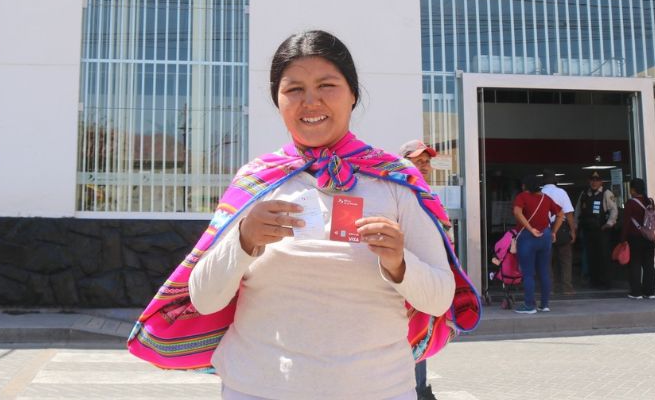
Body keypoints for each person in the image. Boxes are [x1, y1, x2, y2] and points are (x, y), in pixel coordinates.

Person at [127, 30, 481, 400]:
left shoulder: (396, 181)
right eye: (294, 89)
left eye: (327, 85)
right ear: (278, 101)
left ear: (353, 94)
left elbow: (439, 300)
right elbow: (205, 299)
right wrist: (244, 239)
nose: (310, 101)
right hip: (256, 389)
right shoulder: (256, 181)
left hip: (380, 389)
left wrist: (399, 263)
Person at [399, 139, 445, 400]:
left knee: (421, 335)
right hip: (403, 277)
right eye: (418, 161)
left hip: (425, 277)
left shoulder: (427, 194)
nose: (424, 165)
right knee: (408, 337)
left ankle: (420, 390)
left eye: (426, 161)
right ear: (403, 162)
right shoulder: (398, 191)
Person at [512, 175, 564, 314]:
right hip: (545, 236)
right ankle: (544, 305)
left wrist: (530, 229)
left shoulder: (522, 196)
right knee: (544, 271)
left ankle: (529, 305)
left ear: (525, 186)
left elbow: (517, 212)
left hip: (527, 237)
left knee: (528, 273)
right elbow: (561, 214)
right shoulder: (546, 198)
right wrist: (554, 232)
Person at [574, 172, 618, 289]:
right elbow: (578, 211)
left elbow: (614, 210)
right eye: (592, 180)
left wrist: (609, 224)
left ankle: (605, 282)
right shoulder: (584, 193)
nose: (594, 182)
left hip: (602, 231)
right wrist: (575, 225)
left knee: (603, 256)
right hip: (588, 231)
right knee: (591, 256)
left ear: (601, 182)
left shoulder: (606, 193)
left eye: (597, 180)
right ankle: (594, 281)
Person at [541, 170, 576, 294]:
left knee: (547, 261)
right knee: (565, 259)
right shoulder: (561, 192)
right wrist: (573, 230)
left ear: (543, 181)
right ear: (555, 181)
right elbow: (568, 213)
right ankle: (567, 288)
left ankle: (549, 288)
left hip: (544, 228)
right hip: (562, 228)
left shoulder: (540, 193)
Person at [622, 177, 655, 299]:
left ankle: (636, 292)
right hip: (649, 238)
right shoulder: (650, 202)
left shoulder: (631, 203)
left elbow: (626, 223)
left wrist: (623, 239)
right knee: (649, 265)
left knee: (635, 265)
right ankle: (650, 292)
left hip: (635, 238)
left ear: (633, 190)